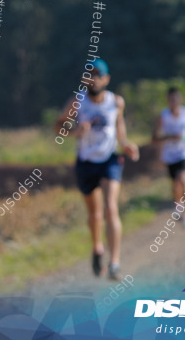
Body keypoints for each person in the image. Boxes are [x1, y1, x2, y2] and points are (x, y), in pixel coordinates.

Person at [53, 58, 140, 281]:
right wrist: (75, 131)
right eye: (90, 74)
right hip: (86, 161)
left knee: (111, 208)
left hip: (110, 159)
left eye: (98, 74)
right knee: (94, 215)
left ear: (107, 79)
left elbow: (119, 124)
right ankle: (97, 248)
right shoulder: (77, 102)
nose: (94, 79)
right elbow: (58, 126)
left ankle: (114, 264)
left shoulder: (116, 102)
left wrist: (126, 143)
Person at [152, 87, 185, 229]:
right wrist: (170, 137)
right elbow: (154, 138)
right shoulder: (163, 116)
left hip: (184, 153)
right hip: (170, 155)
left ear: (180, 100)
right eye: (171, 99)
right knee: (175, 184)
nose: (174, 101)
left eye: (176, 99)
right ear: (168, 100)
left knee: (184, 181)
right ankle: (178, 205)